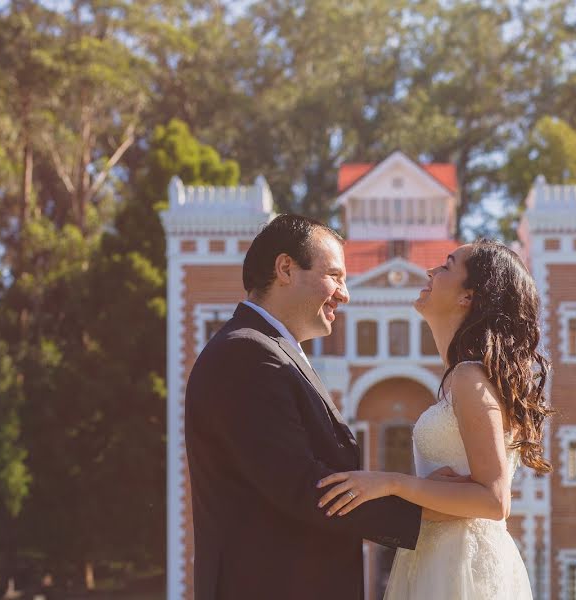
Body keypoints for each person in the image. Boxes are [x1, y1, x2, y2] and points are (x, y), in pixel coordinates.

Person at [184, 215, 423, 599]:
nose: (345, 294)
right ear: (285, 269)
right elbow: (304, 487)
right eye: (335, 275)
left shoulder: (270, 351)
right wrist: (430, 515)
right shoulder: (247, 354)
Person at [317, 240, 553, 599]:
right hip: (438, 556)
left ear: (467, 297)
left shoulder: (469, 377)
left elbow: (494, 500)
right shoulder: (462, 376)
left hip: (461, 566)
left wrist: (393, 483)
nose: (430, 272)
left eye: (446, 266)